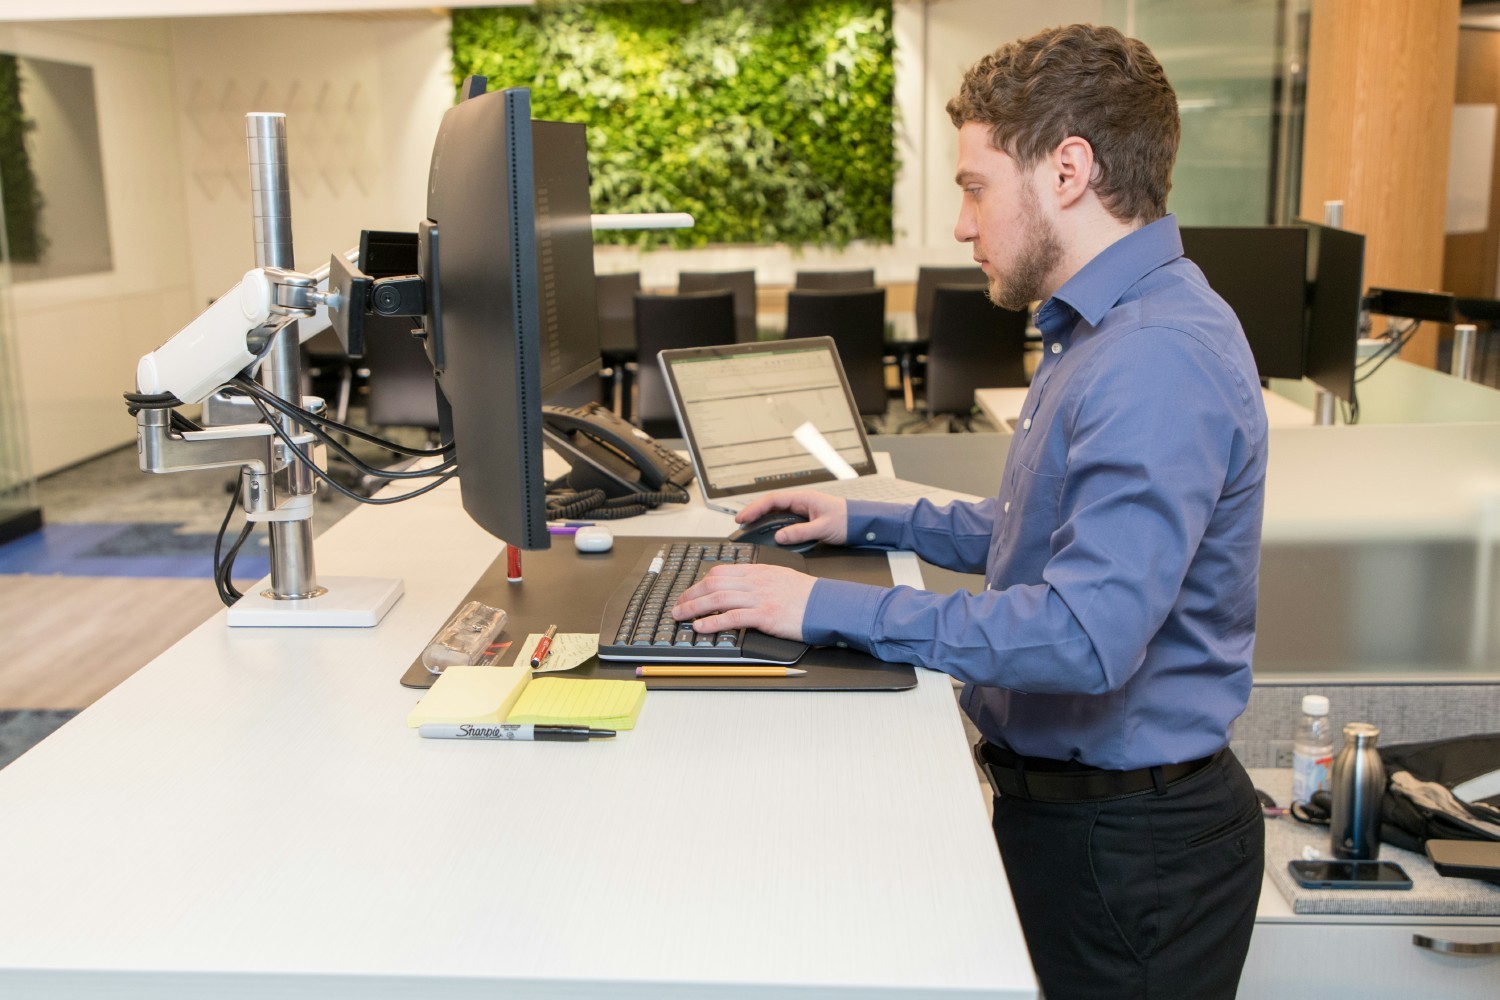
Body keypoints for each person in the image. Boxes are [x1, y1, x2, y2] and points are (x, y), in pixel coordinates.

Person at [672, 22, 1267, 1000]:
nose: (960, 223)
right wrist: (869, 519)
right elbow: (1038, 530)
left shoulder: (1156, 357)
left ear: (1068, 170)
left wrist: (822, 609)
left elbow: (1082, 633)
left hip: (1129, 864)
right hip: (1083, 827)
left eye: (974, 186)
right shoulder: (1110, 328)